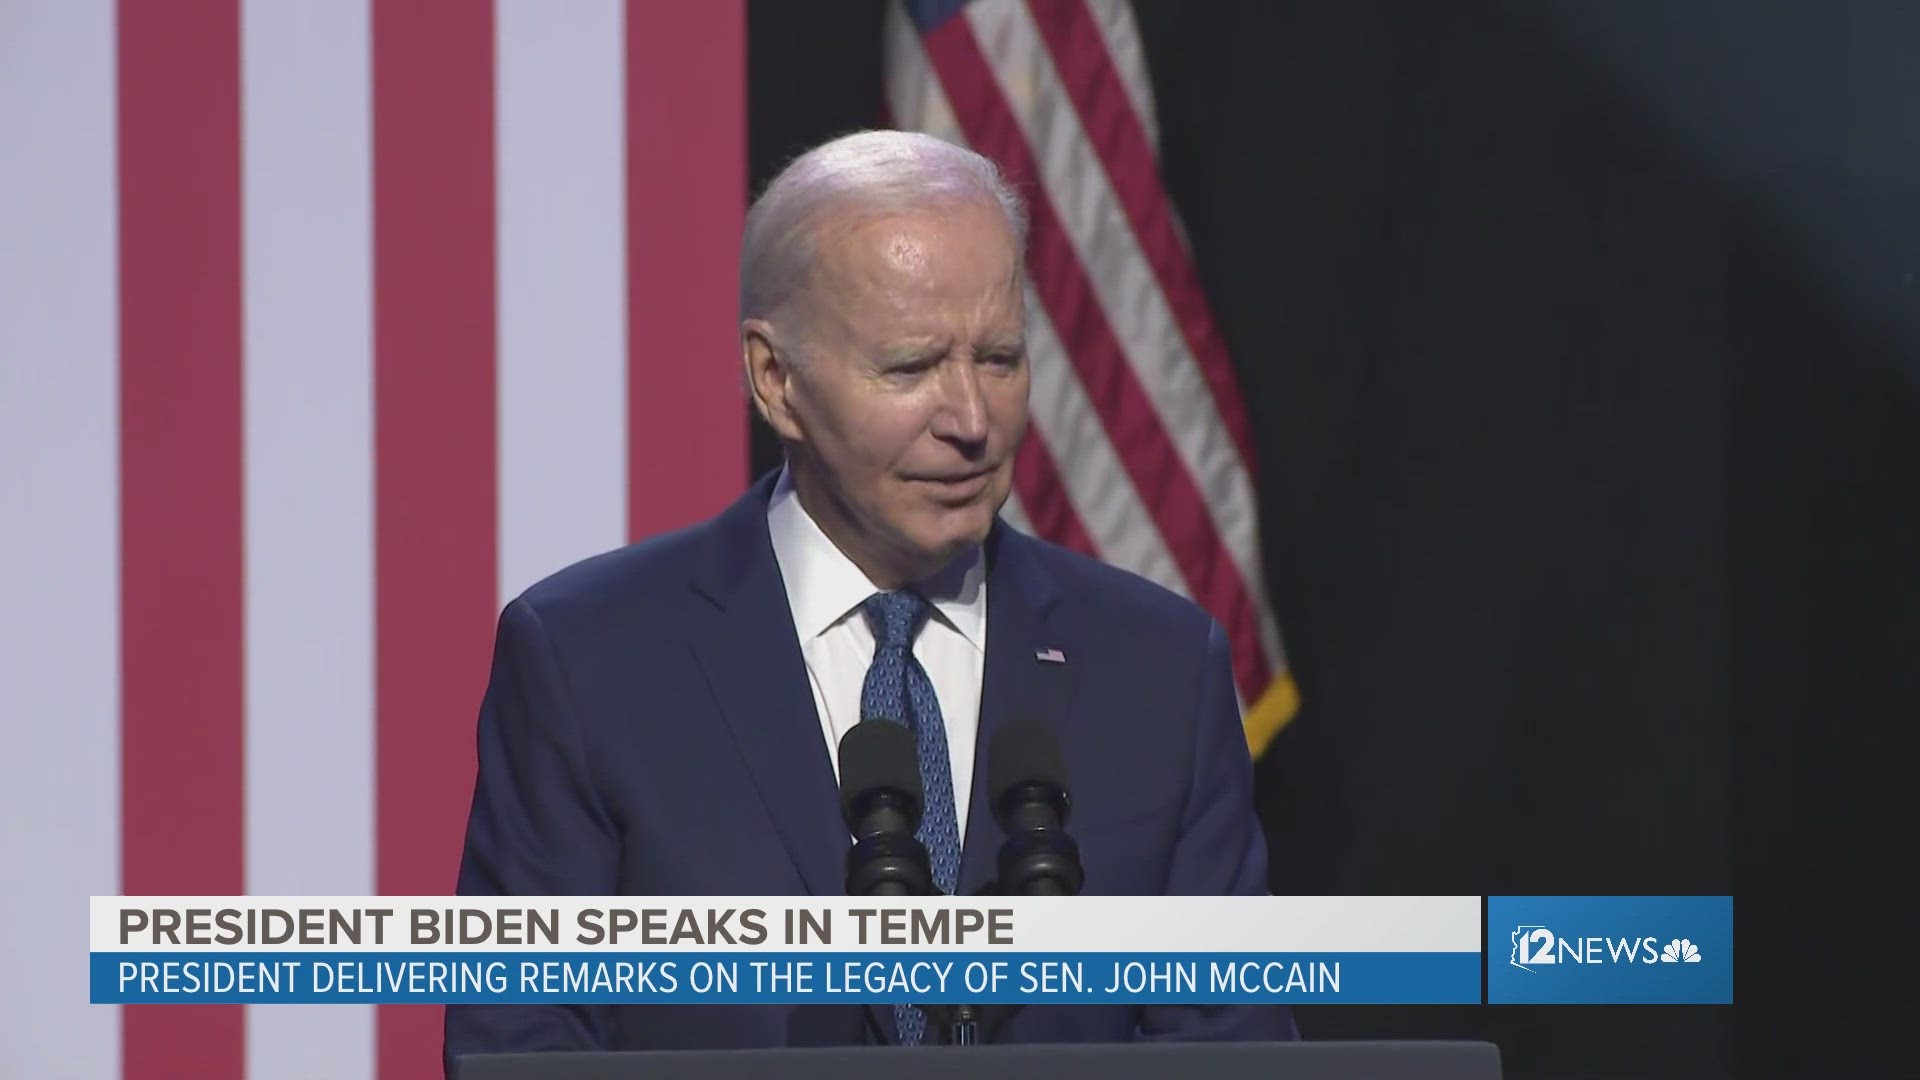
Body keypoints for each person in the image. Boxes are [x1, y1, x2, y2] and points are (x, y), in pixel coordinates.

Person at [443, 130, 1295, 1069]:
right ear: (777, 381)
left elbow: (1232, 1045)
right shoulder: (588, 663)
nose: (971, 420)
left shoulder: (1160, 670)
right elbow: (521, 1044)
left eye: (1001, 358)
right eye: (911, 367)